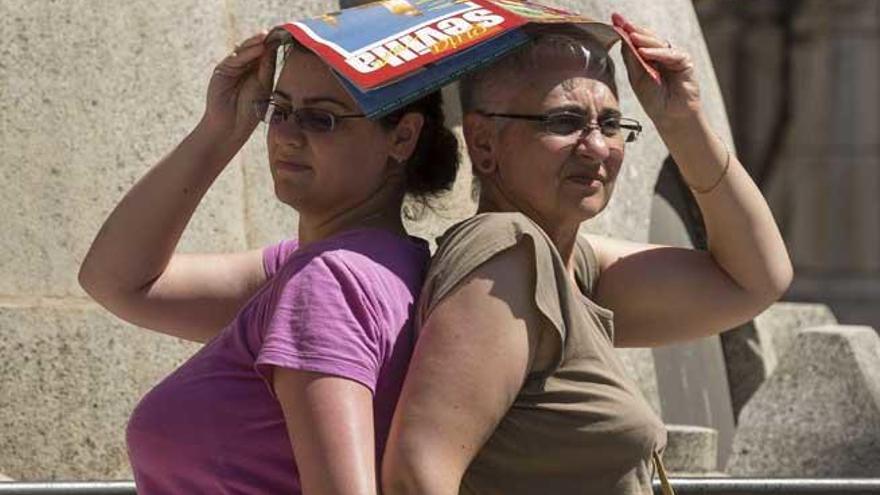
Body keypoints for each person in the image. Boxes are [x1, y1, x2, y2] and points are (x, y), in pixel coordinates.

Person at [382, 14, 793, 495]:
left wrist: (680, 120)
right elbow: (416, 474)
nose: (597, 147)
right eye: (565, 121)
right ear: (483, 142)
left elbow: (754, 280)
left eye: (612, 124)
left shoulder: (570, 266)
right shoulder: (506, 251)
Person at [78, 28, 459, 494]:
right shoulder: (353, 267)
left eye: (321, 119)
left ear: (402, 137)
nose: (286, 135)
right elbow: (118, 281)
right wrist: (223, 127)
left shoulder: (329, 281)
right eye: (279, 111)